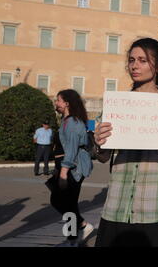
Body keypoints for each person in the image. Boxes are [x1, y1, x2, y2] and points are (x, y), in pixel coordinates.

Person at [93, 38, 158, 247]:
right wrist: (99, 141)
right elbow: (103, 157)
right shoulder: (116, 105)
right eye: (132, 60)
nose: (134, 66)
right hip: (117, 206)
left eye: (143, 60)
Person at [51, 89, 94, 246]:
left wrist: (63, 172)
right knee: (66, 202)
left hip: (74, 168)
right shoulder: (66, 121)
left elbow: (71, 150)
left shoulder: (73, 123)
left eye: (59, 100)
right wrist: (58, 168)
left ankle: (75, 235)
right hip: (69, 167)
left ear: (67, 103)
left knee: (63, 201)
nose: (56, 103)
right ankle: (79, 230)